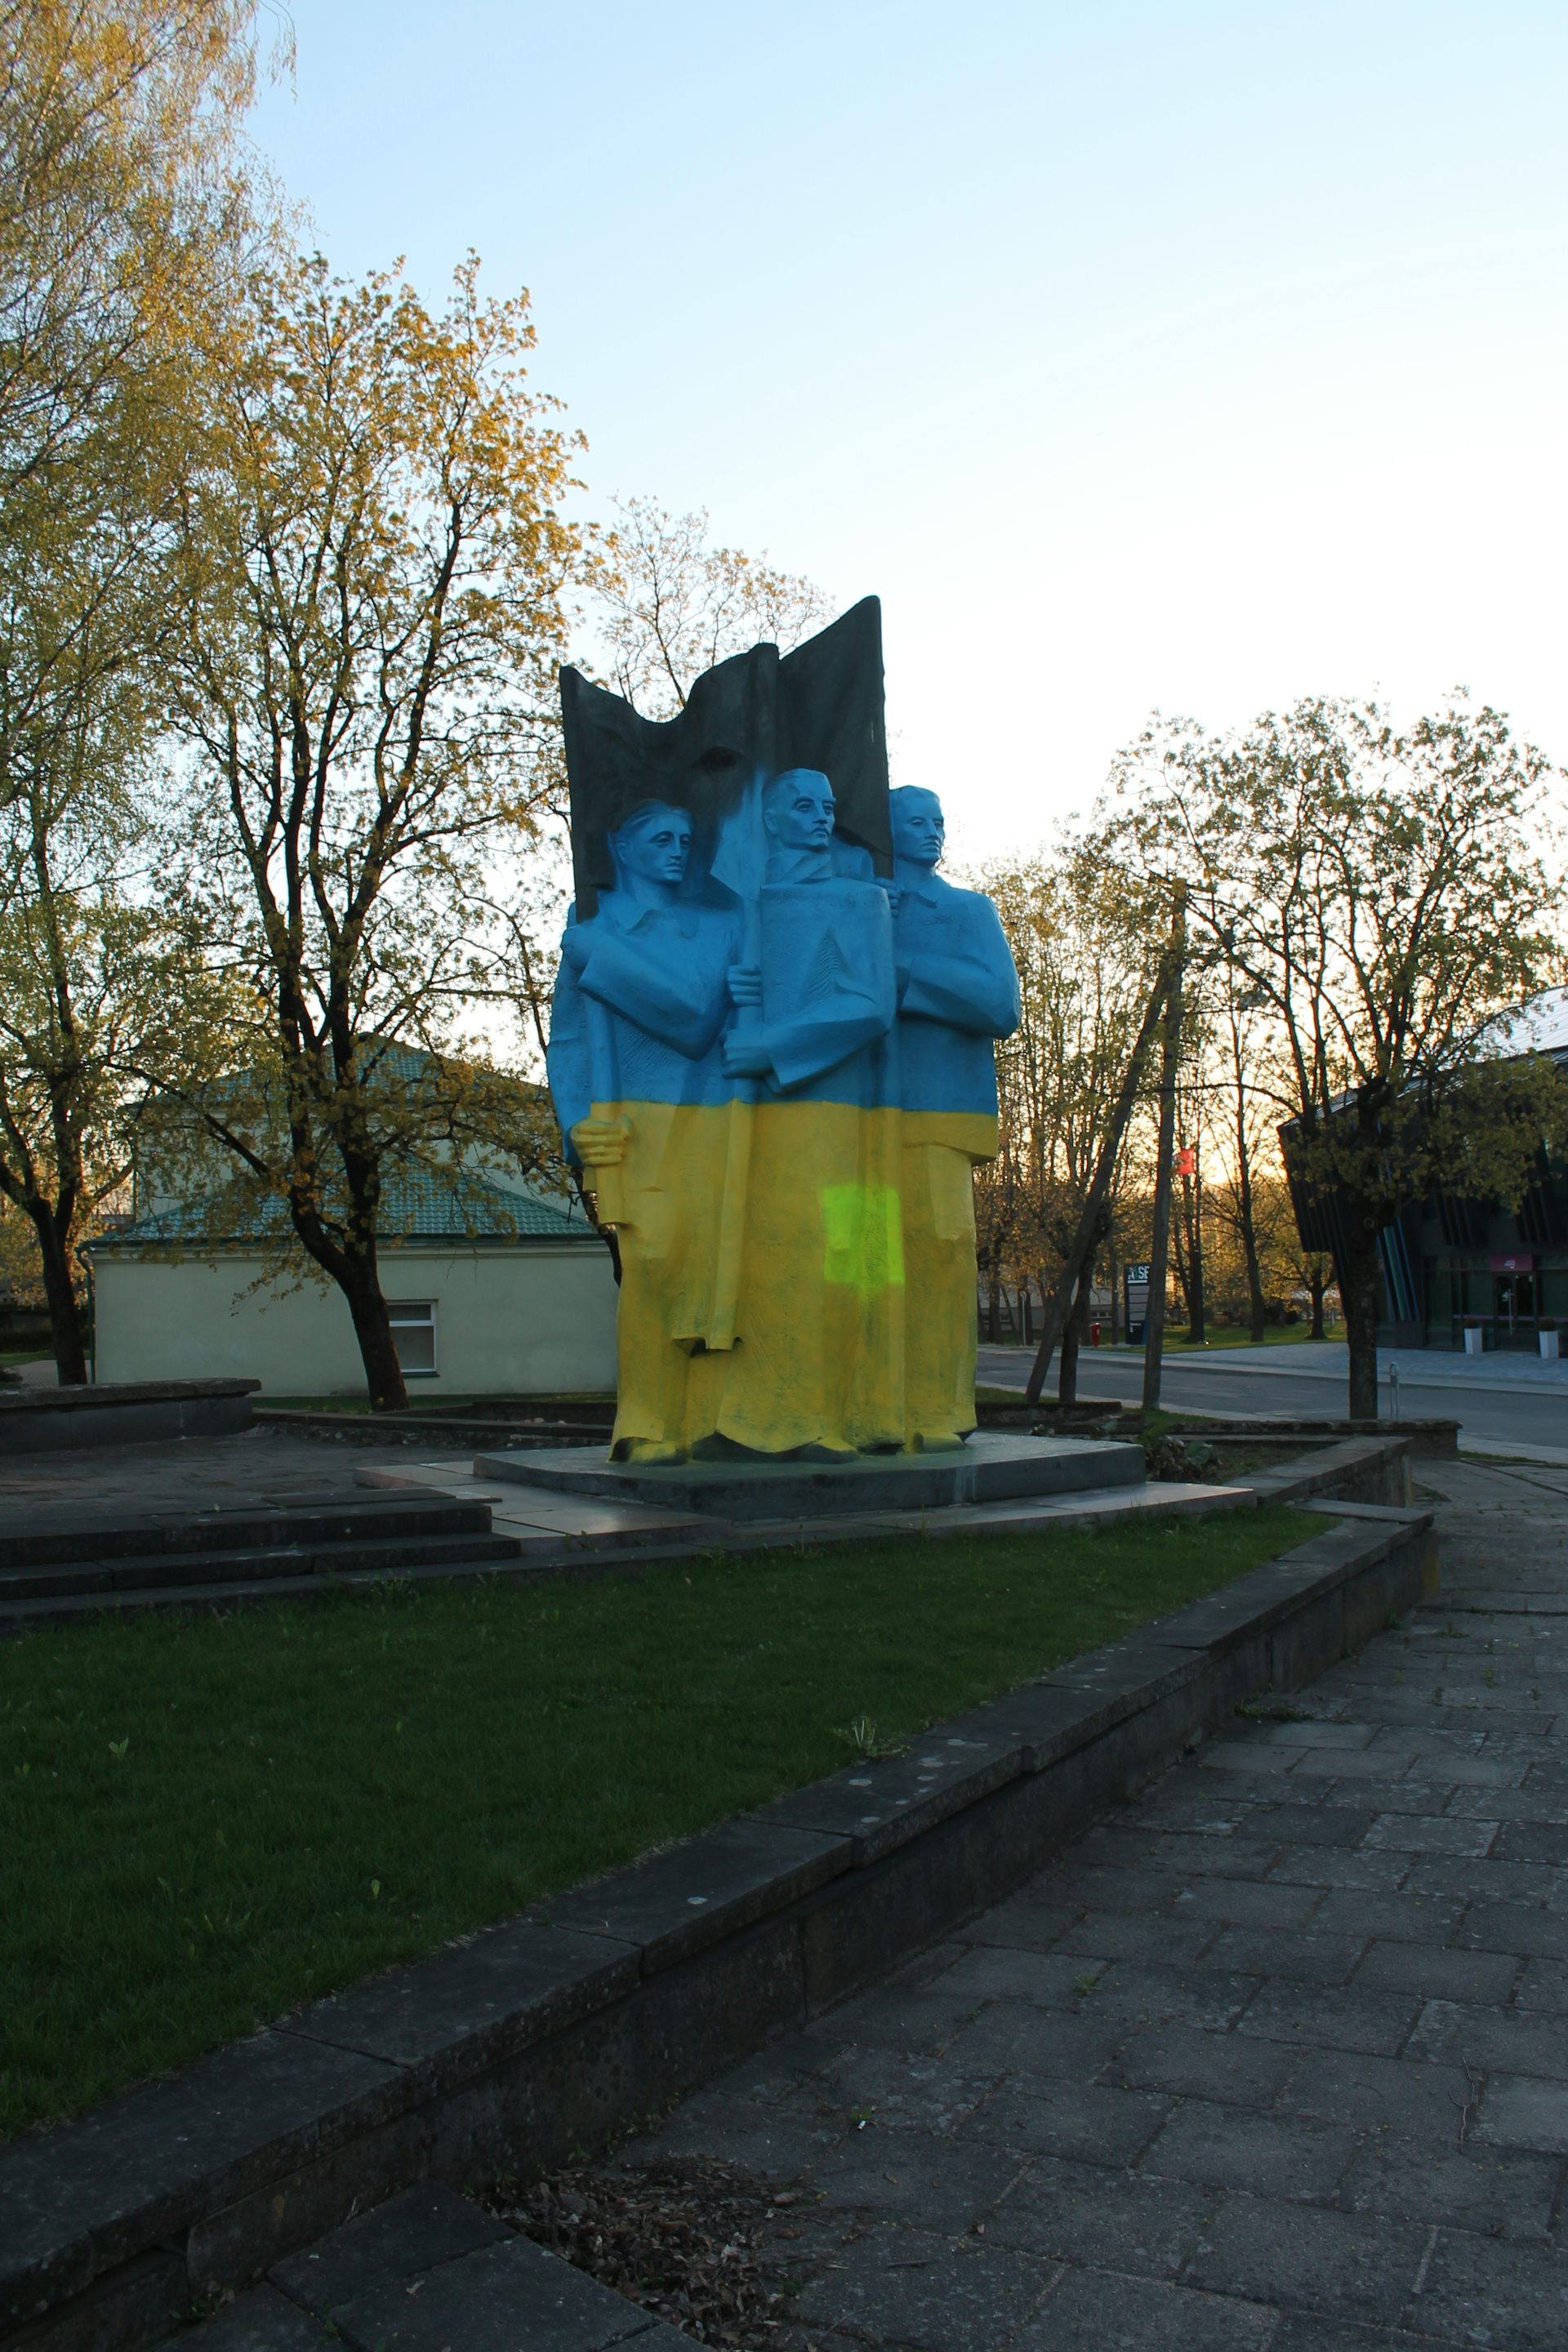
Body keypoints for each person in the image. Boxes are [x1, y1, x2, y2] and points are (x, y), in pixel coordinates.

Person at [715, 768, 903, 1457]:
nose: (821, 816)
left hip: (822, 1106)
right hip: (739, 1117)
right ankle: (753, 1414)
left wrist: (772, 1046)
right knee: (758, 1253)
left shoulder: (857, 900)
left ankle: (819, 1416)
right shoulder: (742, 902)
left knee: (814, 1251)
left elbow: (869, 1006)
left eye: (828, 805)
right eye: (803, 805)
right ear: (770, 817)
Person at [546, 800, 742, 1462]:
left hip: (716, 1115)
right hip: (632, 1123)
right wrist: (576, 1124)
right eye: (662, 838)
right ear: (623, 849)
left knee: (715, 1274)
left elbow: (701, 1019)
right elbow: (570, 1037)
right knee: (652, 1263)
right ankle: (647, 1421)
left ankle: (713, 1420)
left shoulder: (718, 925)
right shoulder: (591, 925)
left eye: (687, 838)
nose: (679, 849)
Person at [887, 785, 1021, 1449]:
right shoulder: (855, 904)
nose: (933, 831)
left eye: (938, 821)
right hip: (853, 1114)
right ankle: (872, 1408)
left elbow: (1000, 1004)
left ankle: (940, 1410)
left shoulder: (967, 911)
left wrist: (905, 972)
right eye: (916, 821)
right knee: (858, 1266)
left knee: (940, 1255)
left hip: (938, 1111)